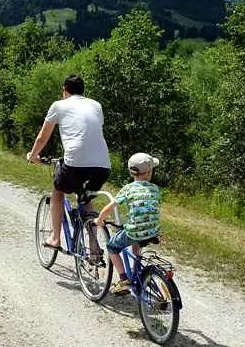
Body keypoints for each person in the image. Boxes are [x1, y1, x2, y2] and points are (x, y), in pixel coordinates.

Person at [27, 75, 111, 249]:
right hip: (103, 165)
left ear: (65, 90)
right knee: (85, 197)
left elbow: (43, 137)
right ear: (83, 91)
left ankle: (55, 238)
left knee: (58, 192)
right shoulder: (96, 105)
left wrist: (34, 155)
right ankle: (94, 246)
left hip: (76, 163)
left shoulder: (59, 105)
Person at [95, 153, 161, 295]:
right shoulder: (155, 188)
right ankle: (137, 269)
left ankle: (124, 279)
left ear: (131, 172)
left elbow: (110, 206)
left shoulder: (129, 188)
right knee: (137, 237)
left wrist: (100, 219)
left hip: (135, 231)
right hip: (153, 231)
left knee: (112, 247)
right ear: (149, 172)